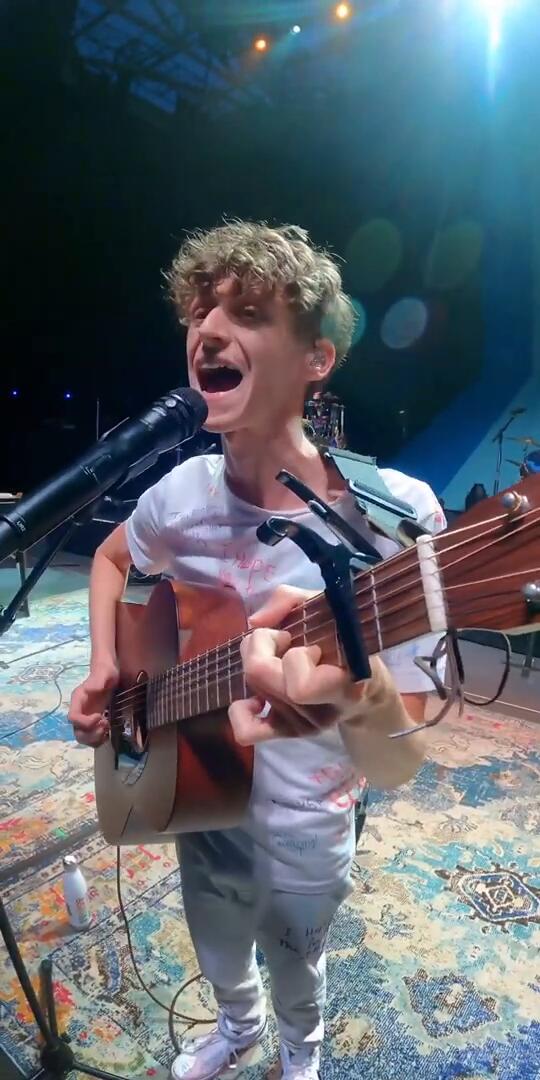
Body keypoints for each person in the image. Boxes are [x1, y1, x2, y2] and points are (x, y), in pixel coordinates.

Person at [69, 222, 446, 1080]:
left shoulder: (395, 521)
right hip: (199, 778)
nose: (208, 329)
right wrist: (106, 665)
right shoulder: (181, 495)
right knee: (215, 932)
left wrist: (360, 695)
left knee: (297, 959)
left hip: (309, 817)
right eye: (198, 312)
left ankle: (299, 1055)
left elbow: (400, 764)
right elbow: (111, 559)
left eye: (246, 313)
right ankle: (237, 1029)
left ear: (317, 359)